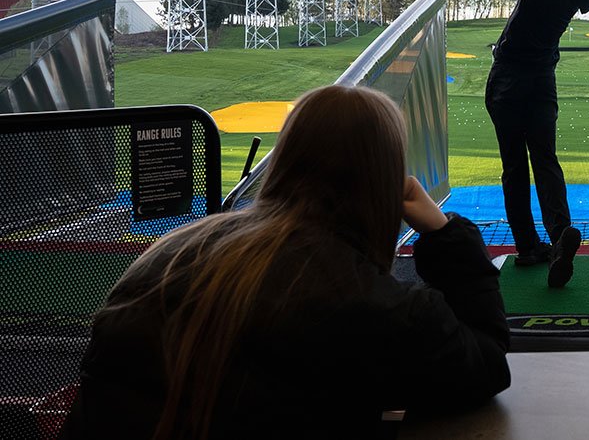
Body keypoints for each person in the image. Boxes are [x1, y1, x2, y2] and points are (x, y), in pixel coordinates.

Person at [64, 85, 510, 440]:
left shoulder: (172, 250)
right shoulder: (376, 307)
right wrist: (445, 233)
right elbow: (486, 362)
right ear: (385, 185)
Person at [486, 0, 589, 288]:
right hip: (542, 85)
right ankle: (558, 236)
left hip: (508, 82)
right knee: (546, 161)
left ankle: (528, 246)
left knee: (515, 167)